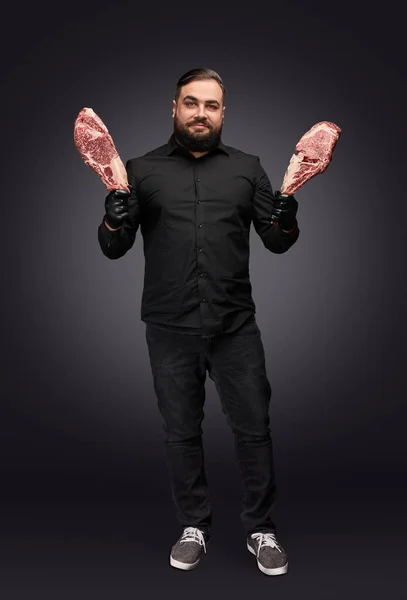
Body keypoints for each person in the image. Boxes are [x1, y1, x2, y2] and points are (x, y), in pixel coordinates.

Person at [97, 68, 300, 576]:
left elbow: (276, 240)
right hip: (169, 328)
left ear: (223, 113)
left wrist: (289, 213)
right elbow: (113, 248)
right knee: (181, 431)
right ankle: (194, 525)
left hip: (236, 326)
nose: (201, 114)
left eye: (211, 105)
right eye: (192, 103)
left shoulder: (248, 168)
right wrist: (113, 217)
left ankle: (261, 529)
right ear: (174, 107)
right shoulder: (140, 170)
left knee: (254, 428)